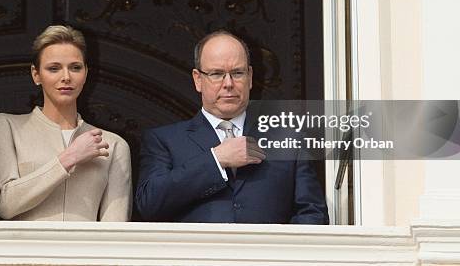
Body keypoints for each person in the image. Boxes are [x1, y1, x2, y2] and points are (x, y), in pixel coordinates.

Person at [135, 30, 328, 223]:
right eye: (217, 74)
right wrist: (216, 160)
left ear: (250, 77)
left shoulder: (289, 140)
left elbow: (312, 214)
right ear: (198, 79)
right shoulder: (163, 140)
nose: (228, 84)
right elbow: (149, 205)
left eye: (237, 73)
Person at [0, 25, 132, 221]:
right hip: (25, 251)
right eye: (54, 68)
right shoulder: (6, 127)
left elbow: (114, 229)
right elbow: (6, 204)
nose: (66, 77)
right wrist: (69, 157)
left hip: (85, 251)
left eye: (75, 67)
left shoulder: (113, 144)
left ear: (86, 73)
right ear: (36, 75)